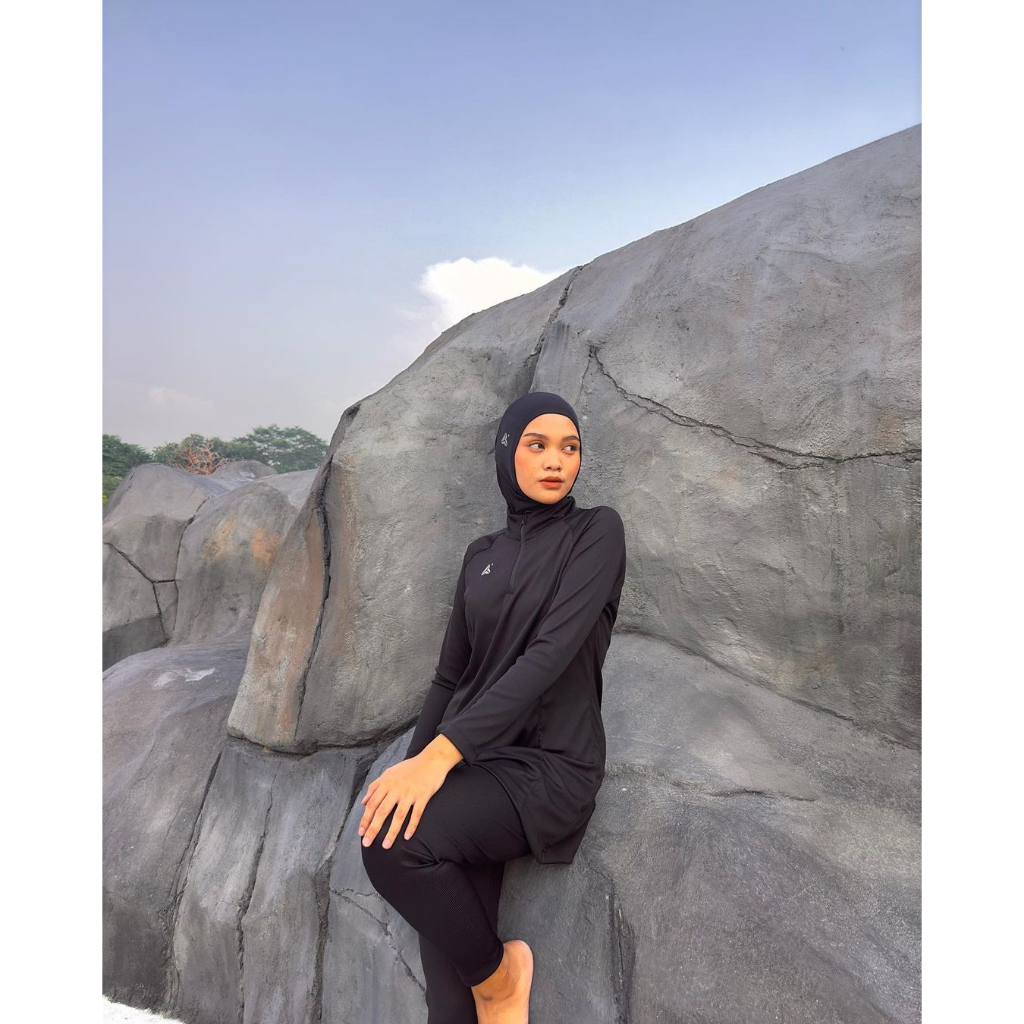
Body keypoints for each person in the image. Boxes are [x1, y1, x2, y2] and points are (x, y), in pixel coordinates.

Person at [359, 391, 627, 1023]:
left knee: (394, 849)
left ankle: (503, 980)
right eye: (537, 445)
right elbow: (450, 676)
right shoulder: (480, 555)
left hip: (547, 766)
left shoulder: (597, 532)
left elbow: (548, 656)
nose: (556, 461)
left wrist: (440, 758)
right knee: (449, 1001)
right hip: (474, 765)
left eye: (570, 448)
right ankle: (486, 988)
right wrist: (416, 768)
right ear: (507, 453)